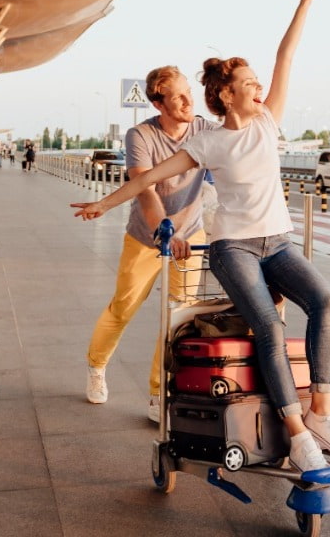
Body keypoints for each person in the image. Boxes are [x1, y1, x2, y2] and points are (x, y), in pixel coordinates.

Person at [71, 0, 330, 473]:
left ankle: (321, 412)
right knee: (267, 328)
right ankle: (296, 436)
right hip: (232, 247)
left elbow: (286, 54)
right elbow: (147, 181)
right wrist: (103, 203)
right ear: (227, 94)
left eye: (257, 83)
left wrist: (305, 3)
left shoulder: (268, 120)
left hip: (277, 240)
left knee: (326, 300)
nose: (258, 88)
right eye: (249, 84)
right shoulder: (205, 141)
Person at [80, 65, 216, 420]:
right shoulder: (140, 135)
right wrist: (166, 233)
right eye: (179, 96)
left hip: (191, 235)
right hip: (147, 237)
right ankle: (96, 367)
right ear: (159, 103)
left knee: (179, 315)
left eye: (189, 92)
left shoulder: (204, 129)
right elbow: (145, 190)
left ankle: (160, 392)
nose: (189, 101)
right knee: (123, 307)